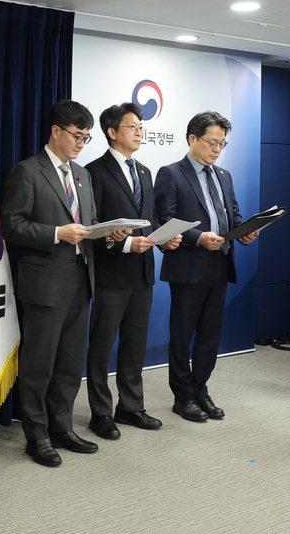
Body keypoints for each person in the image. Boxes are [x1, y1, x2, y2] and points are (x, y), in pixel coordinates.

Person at [0, 99, 105, 467]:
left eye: (86, 138)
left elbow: (88, 224)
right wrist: (58, 232)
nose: (81, 144)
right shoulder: (28, 171)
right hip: (44, 285)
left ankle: (62, 427)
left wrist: (107, 232)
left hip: (80, 281)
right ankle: (37, 436)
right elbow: (11, 226)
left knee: (70, 364)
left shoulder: (83, 175)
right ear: (56, 131)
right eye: (77, 136)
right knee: (39, 365)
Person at [153, 111, 259, 423]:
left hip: (220, 263)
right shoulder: (171, 173)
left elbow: (233, 215)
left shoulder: (224, 175)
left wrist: (244, 231)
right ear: (192, 139)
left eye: (222, 144)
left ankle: (200, 389)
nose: (217, 149)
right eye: (212, 142)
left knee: (210, 334)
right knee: (182, 333)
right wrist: (198, 238)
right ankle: (182, 396)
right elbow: (164, 221)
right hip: (188, 265)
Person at [85, 102, 182, 440]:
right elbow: (92, 226)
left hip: (142, 272)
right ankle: (100, 413)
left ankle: (130, 406)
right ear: (112, 132)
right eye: (132, 127)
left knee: (134, 344)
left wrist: (163, 239)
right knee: (101, 347)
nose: (140, 132)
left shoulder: (143, 170)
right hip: (111, 273)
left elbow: (148, 218)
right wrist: (126, 244)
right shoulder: (93, 172)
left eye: (141, 127)